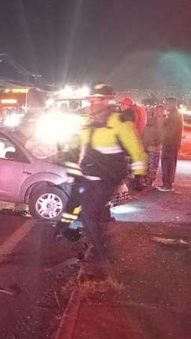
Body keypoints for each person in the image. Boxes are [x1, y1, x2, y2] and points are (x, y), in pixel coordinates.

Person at [78, 84, 146, 278]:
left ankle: (102, 258)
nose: (92, 104)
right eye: (91, 100)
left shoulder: (120, 122)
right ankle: (101, 242)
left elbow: (136, 149)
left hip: (107, 177)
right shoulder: (89, 122)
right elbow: (83, 146)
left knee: (88, 214)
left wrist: (138, 174)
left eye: (96, 100)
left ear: (107, 101)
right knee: (94, 214)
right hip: (90, 176)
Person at [160, 97, 183, 191]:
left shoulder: (175, 115)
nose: (165, 106)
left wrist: (162, 136)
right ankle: (167, 184)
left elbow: (170, 130)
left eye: (166, 104)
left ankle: (168, 184)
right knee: (168, 163)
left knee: (168, 164)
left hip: (170, 143)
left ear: (172, 104)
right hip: (171, 143)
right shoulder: (174, 114)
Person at [141, 105, 165, 187]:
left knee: (152, 166)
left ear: (163, 112)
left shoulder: (162, 121)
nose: (157, 112)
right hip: (146, 146)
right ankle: (145, 180)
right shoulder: (151, 120)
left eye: (160, 111)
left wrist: (156, 142)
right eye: (156, 110)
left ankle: (150, 181)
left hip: (154, 147)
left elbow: (162, 135)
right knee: (146, 165)